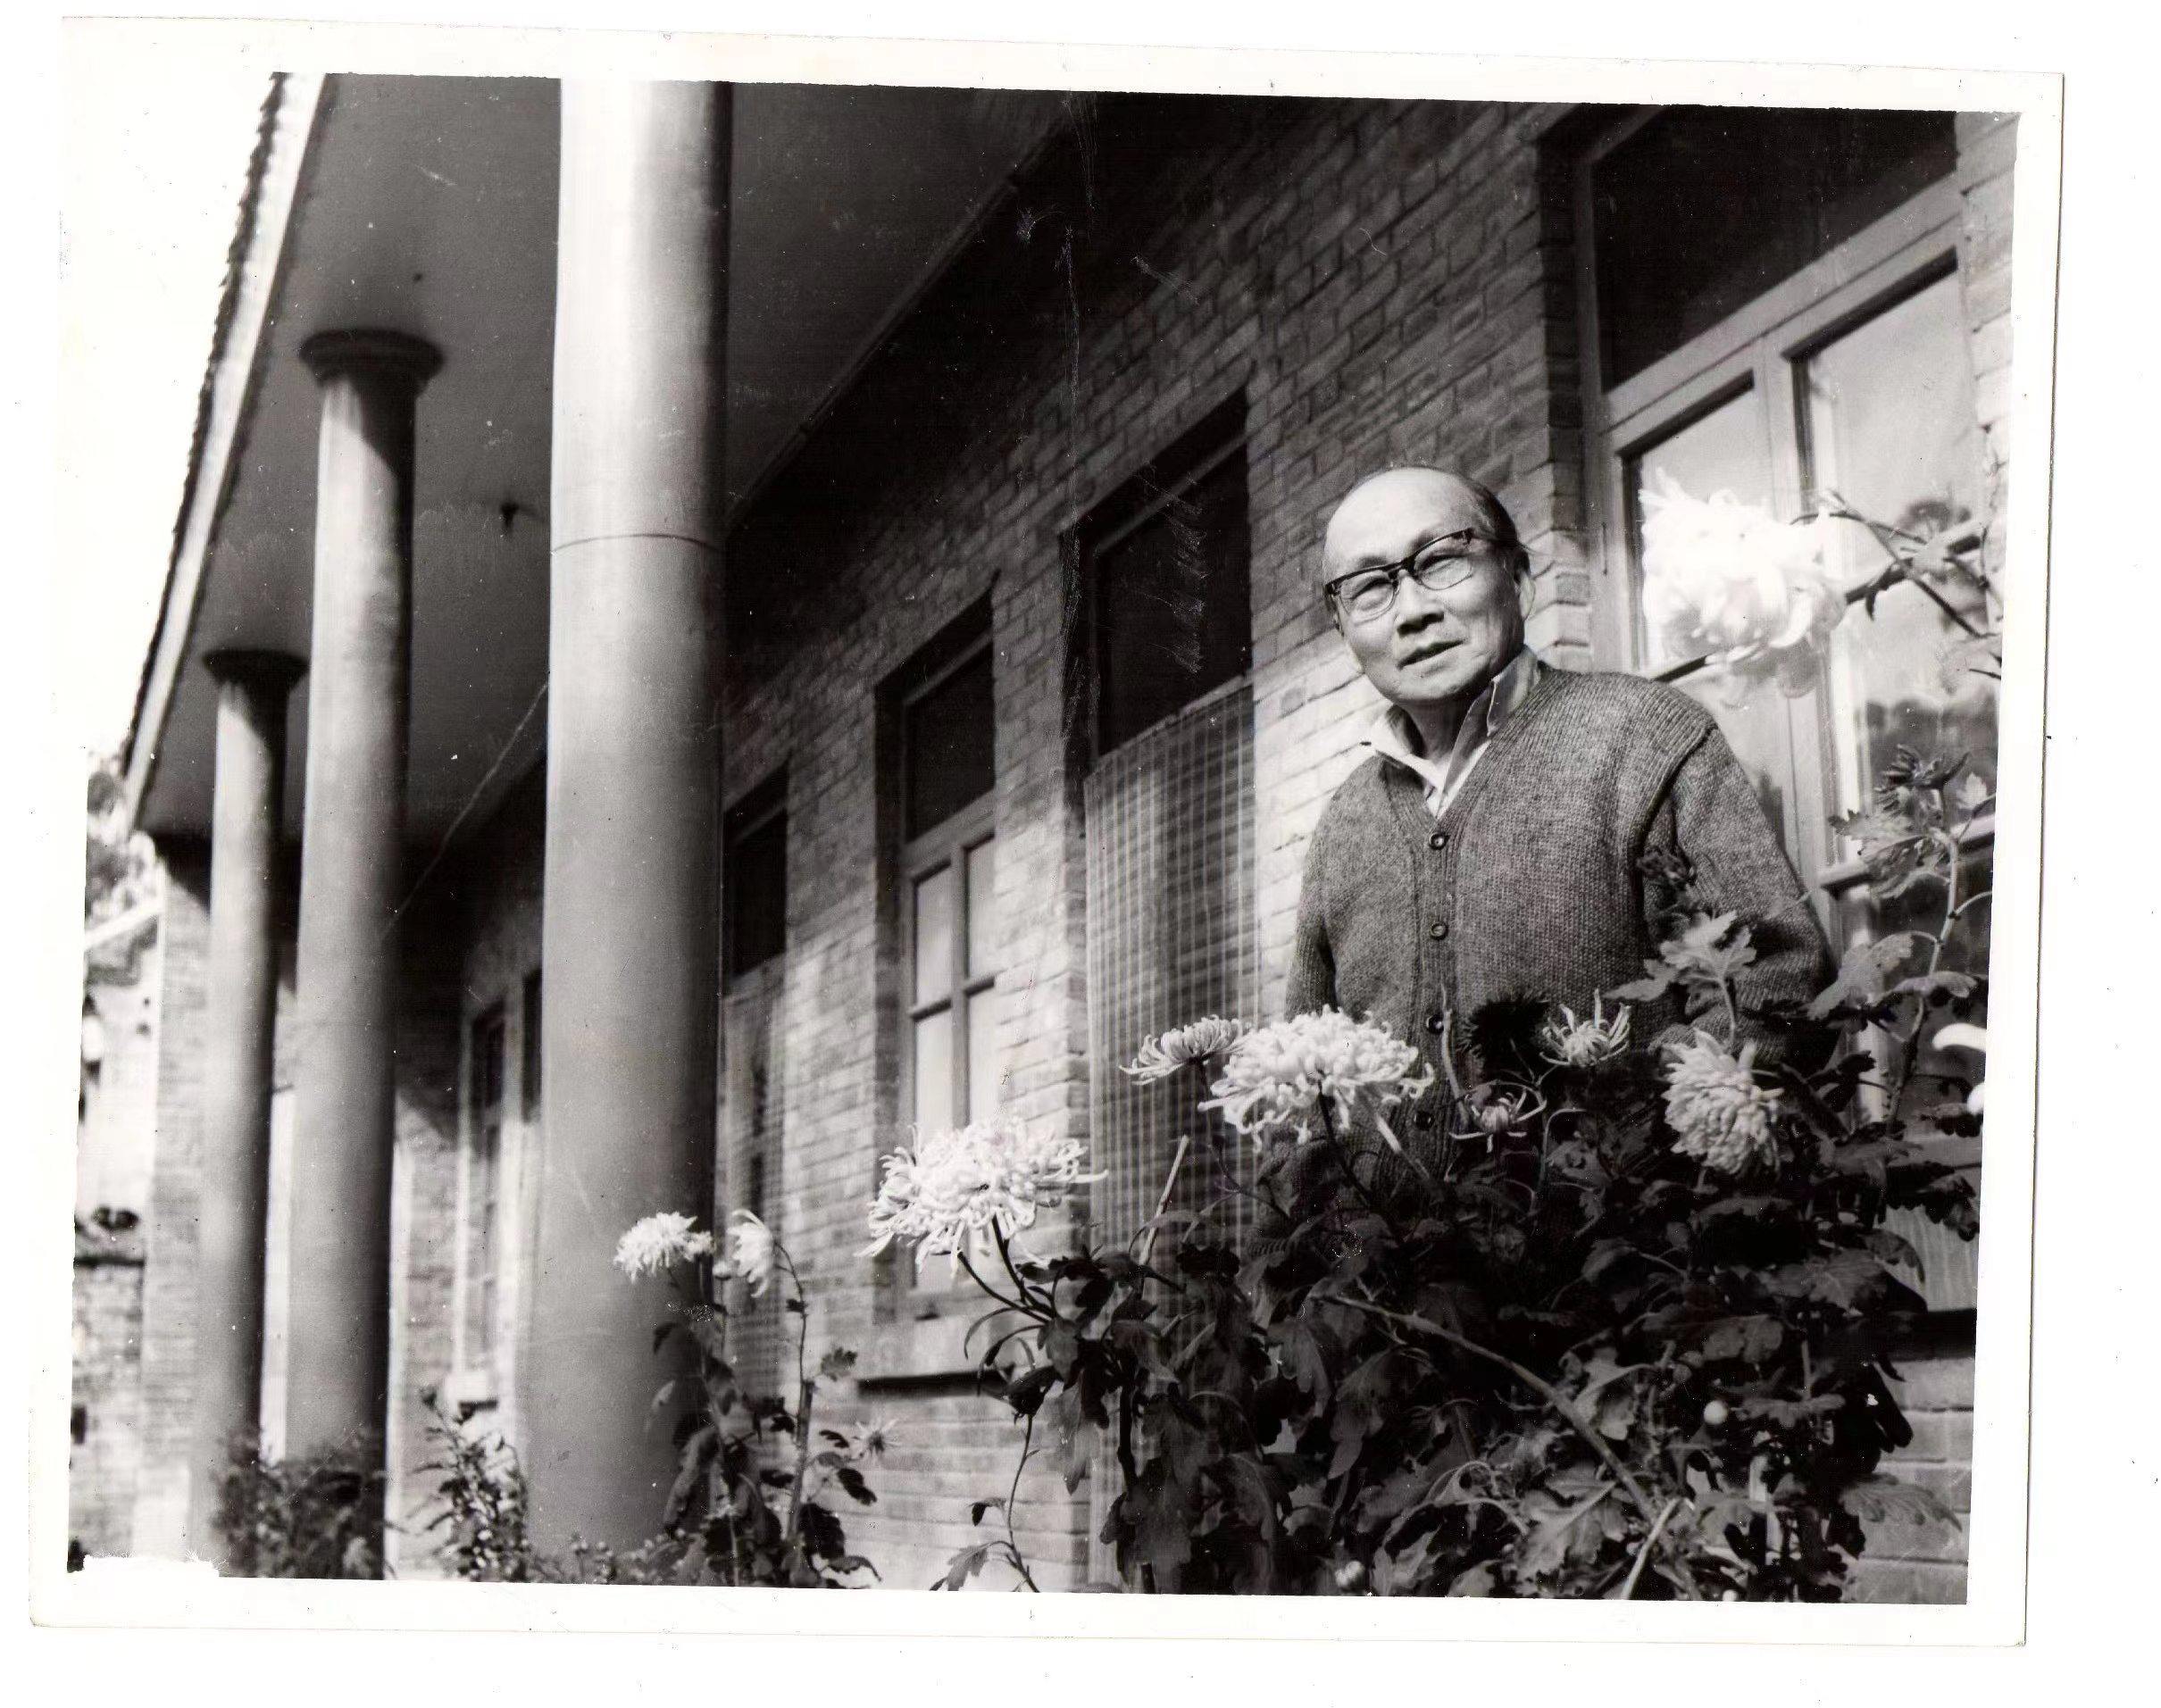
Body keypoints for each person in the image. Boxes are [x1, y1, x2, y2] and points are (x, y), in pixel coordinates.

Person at [1286, 466, 1832, 1147]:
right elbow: (1303, 1093)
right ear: (1343, 626)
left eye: (1442, 560)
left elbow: (1774, 987)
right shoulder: (1343, 822)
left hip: (1624, 1209)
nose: (1413, 610)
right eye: (1371, 586)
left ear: (1517, 576)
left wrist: (1635, 1167)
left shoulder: (1646, 735)